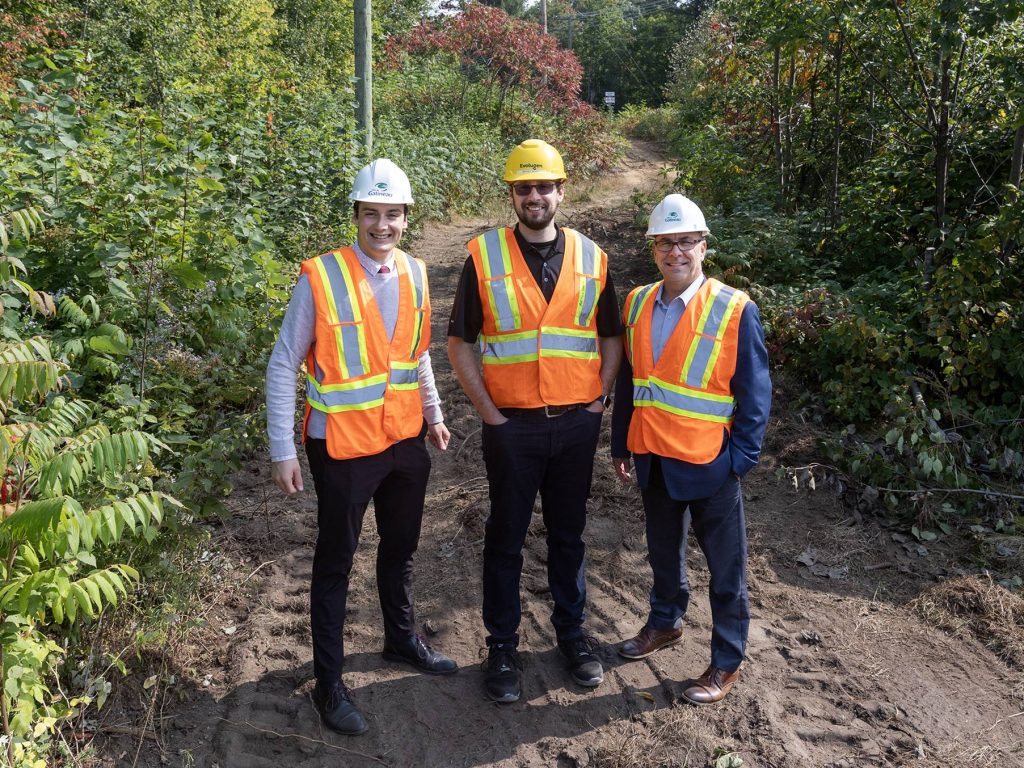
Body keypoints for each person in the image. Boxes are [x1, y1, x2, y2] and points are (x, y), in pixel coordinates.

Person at [266, 159, 457, 737]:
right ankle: (330, 682)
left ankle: (401, 641)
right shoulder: (321, 277)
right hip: (342, 446)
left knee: (400, 550)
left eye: (392, 214)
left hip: (403, 441)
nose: (382, 225)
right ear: (355, 215)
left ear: (405, 217)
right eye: (371, 213)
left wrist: (434, 413)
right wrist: (283, 449)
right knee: (336, 562)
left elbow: (415, 352)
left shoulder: (418, 273)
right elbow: (283, 363)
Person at [447, 139, 623, 704]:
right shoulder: (484, 256)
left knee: (569, 535)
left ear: (561, 190)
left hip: (575, 424)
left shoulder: (593, 258)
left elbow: (611, 335)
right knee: (506, 536)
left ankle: (572, 636)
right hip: (513, 428)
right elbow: (458, 343)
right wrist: (489, 413)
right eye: (524, 188)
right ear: (512, 195)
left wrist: (599, 400)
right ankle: (502, 647)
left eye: (544, 186)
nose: (534, 197)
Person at [611, 193, 771, 705]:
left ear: (703, 246)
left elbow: (755, 393)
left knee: (726, 572)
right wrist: (621, 442)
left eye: (684, 242)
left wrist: (739, 461)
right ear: (654, 249)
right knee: (663, 554)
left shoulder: (734, 308)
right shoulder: (636, 302)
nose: (675, 252)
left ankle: (726, 662)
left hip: (710, 464)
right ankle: (665, 623)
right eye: (665, 243)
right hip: (654, 456)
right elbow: (632, 380)